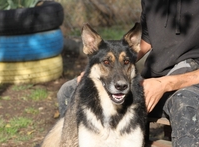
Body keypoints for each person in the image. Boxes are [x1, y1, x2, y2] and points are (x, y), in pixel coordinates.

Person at [57, 0, 199, 146]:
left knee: (186, 102)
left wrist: (164, 84)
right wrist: (97, 65)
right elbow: (143, 42)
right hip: (152, 77)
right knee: (69, 90)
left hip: (189, 80)